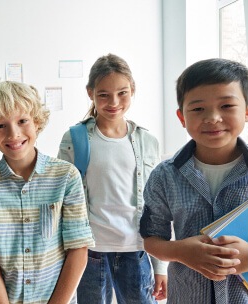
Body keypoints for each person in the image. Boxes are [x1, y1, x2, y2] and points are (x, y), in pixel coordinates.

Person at [0, 80, 95, 304]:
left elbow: (78, 248)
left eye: (22, 121)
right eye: (0, 126)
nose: (13, 133)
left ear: (36, 122)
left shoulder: (66, 176)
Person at [58, 53, 168, 304]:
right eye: (103, 94)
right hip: (90, 251)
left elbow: (158, 207)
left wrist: (160, 267)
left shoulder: (147, 141)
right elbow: (62, 200)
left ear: (133, 90)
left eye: (122, 93)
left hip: (137, 249)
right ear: (90, 93)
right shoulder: (74, 138)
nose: (114, 102)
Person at [140, 58, 248, 303]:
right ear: (181, 117)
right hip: (187, 295)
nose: (213, 117)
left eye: (227, 106)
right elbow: (152, 238)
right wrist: (181, 251)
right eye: (198, 109)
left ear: (247, 111)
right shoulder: (164, 175)